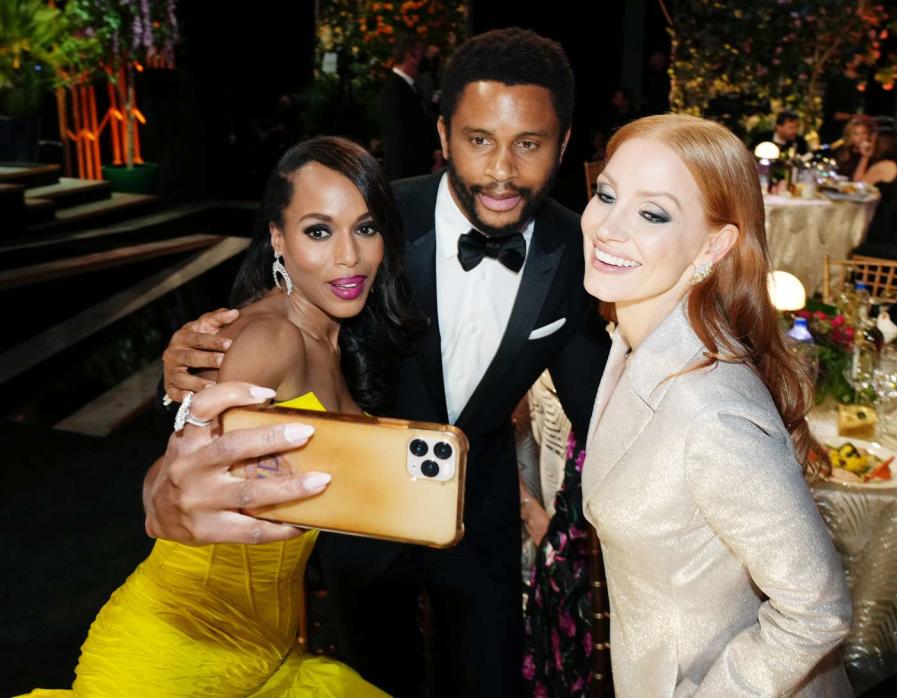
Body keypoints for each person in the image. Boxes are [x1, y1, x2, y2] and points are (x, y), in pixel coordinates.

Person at [154, 28, 611, 697]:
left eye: (530, 144)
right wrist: (190, 368)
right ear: (444, 132)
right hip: (354, 514)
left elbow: (598, 401)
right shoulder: (370, 218)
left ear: (564, 143)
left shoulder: (580, 249)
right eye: (479, 139)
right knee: (370, 683)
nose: (502, 170)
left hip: (477, 516)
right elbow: (279, 313)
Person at [23, 136, 426, 697]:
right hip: (172, 662)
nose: (348, 256)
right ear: (278, 240)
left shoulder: (337, 334)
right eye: (318, 231)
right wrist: (160, 495)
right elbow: (179, 472)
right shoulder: (267, 338)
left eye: (365, 228)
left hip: (272, 653)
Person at [580, 114, 853, 696]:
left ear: (714, 244)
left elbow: (818, 609)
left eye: (652, 213)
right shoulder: (635, 344)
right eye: (606, 194)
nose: (607, 227)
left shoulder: (712, 413)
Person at [852, 126, 897, 259]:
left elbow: (857, 186)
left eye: (872, 141)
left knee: (853, 242)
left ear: (879, 144)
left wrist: (865, 157)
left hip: (894, 235)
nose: (868, 143)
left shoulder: (885, 165)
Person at [379, 34, 440, 180]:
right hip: (405, 171)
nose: (424, 60)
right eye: (421, 55)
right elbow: (400, 135)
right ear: (409, 57)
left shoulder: (408, 86)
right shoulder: (394, 89)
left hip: (414, 169)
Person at [834, 114, 874, 179]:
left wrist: (865, 156)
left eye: (864, 133)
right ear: (849, 136)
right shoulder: (842, 151)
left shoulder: (872, 155)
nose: (861, 138)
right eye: (856, 134)